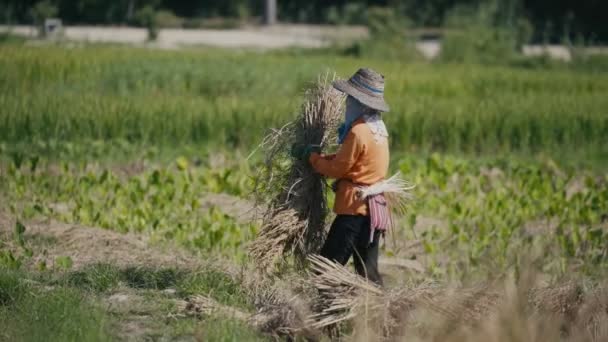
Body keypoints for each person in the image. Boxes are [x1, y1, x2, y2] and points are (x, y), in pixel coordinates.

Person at [298, 68, 390, 285]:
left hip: (354, 211)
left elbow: (339, 169)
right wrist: (323, 157)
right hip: (374, 210)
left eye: (351, 98)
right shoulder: (378, 128)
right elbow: (356, 163)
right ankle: (378, 311)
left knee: (326, 268)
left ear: (361, 102)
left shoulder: (358, 131)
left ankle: (328, 313)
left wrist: (312, 159)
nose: (348, 103)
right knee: (368, 273)